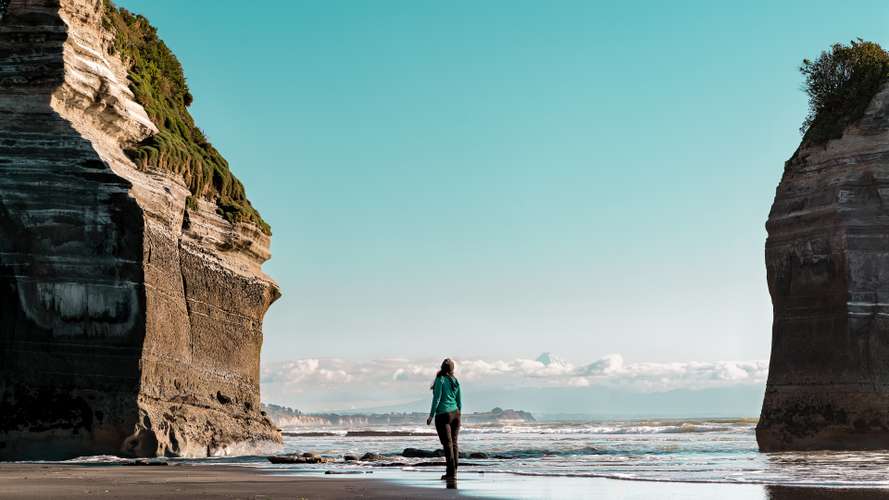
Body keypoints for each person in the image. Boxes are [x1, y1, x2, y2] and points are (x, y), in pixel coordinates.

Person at [426, 358, 462, 480]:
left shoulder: (440, 380)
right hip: (455, 414)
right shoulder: (455, 380)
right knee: (454, 443)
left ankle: (451, 473)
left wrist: (431, 415)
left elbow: (436, 398)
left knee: (447, 445)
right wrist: (459, 413)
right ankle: (454, 471)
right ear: (452, 369)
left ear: (442, 367)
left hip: (443, 415)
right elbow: (459, 399)